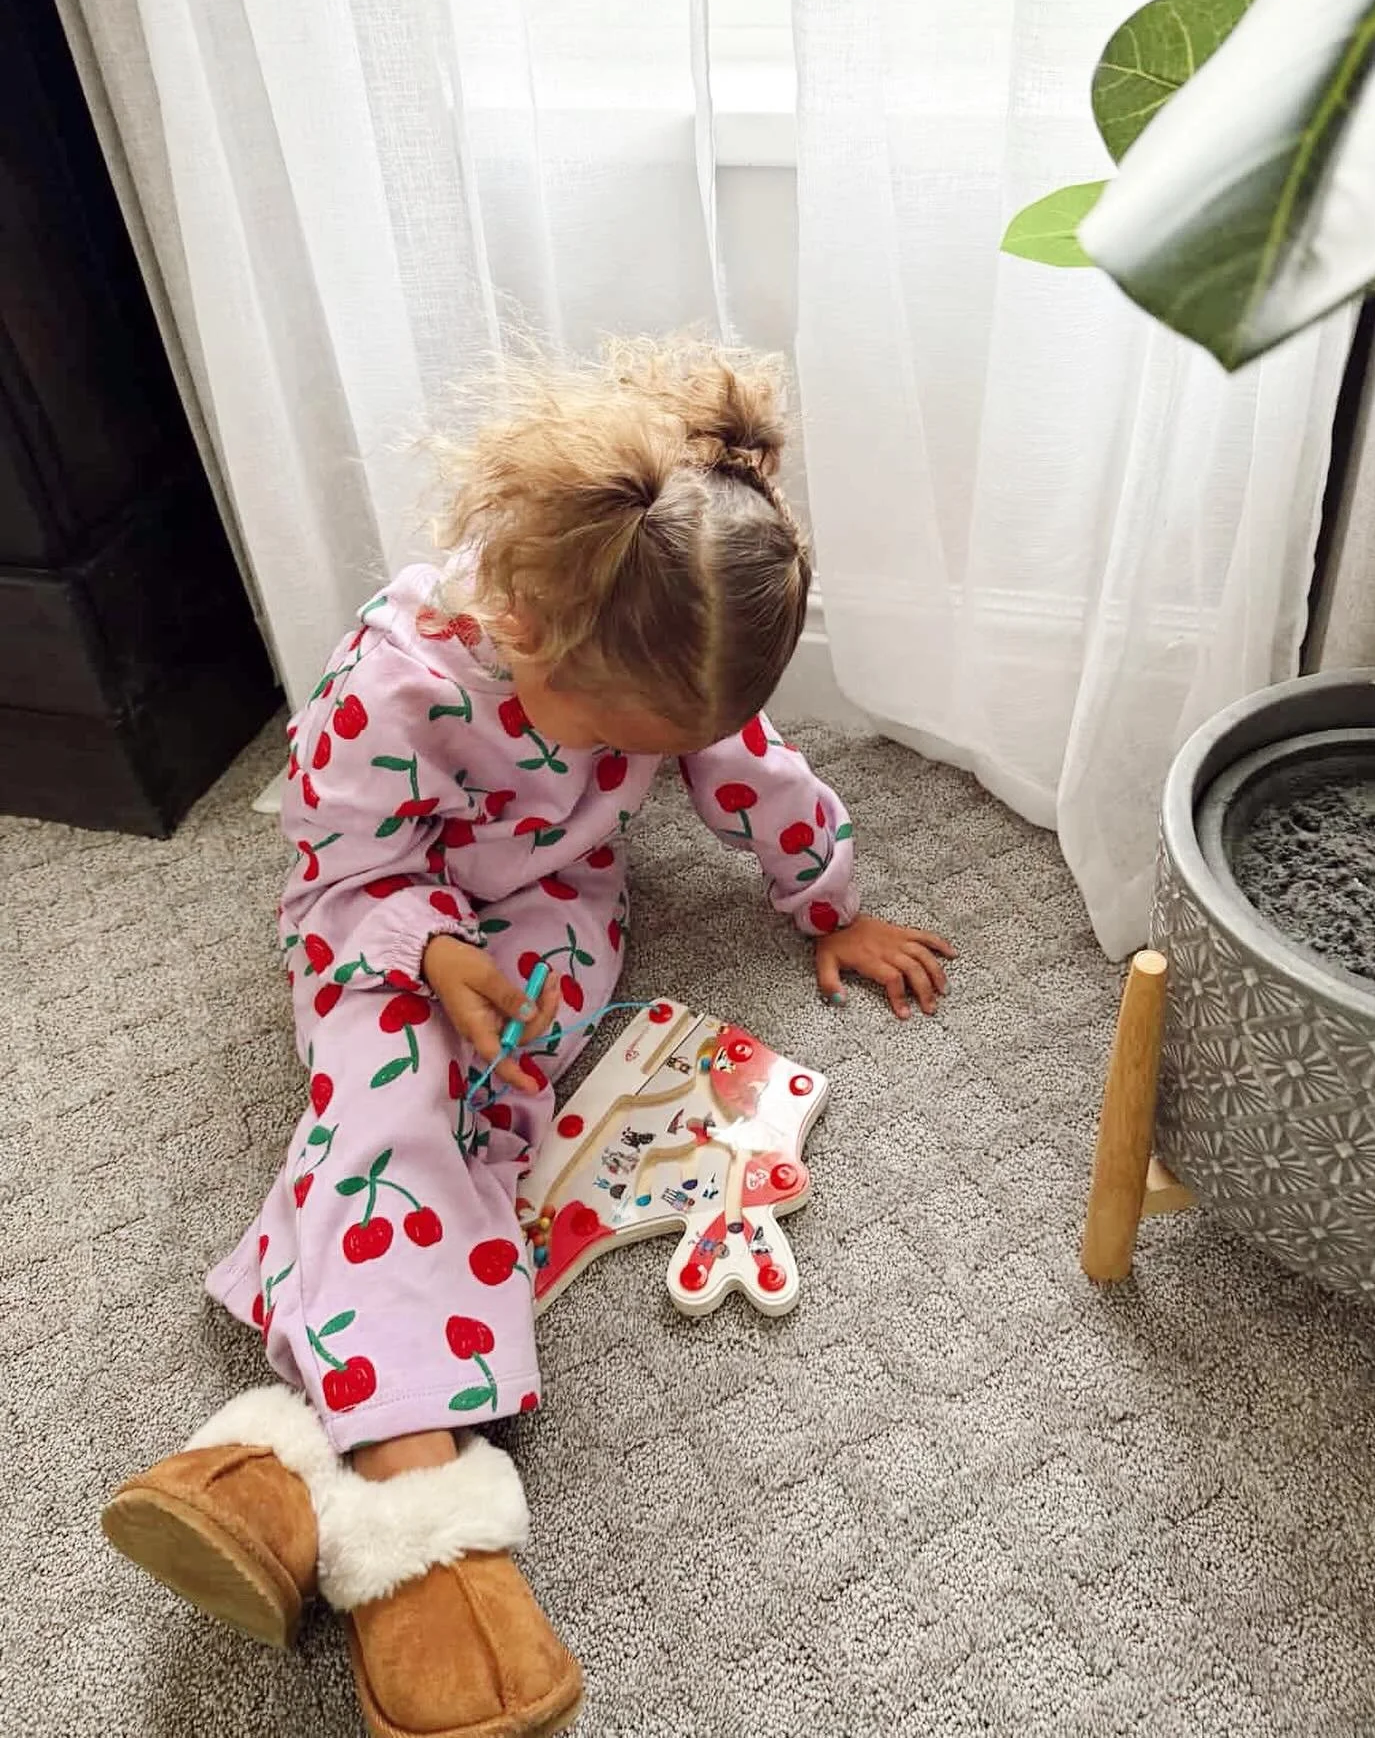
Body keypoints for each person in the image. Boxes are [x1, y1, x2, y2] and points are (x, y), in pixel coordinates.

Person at [100, 342, 954, 1738]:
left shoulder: (659, 630)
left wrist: (832, 906)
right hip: (391, 914)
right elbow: (335, 871)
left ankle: (270, 1466)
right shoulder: (393, 676)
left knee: (493, 1121)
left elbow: (755, 772)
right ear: (524, 633)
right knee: (385, 1108)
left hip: (553, 919)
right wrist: (430, 951)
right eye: (621, 738)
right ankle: (426, 1520)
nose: (648, 767)